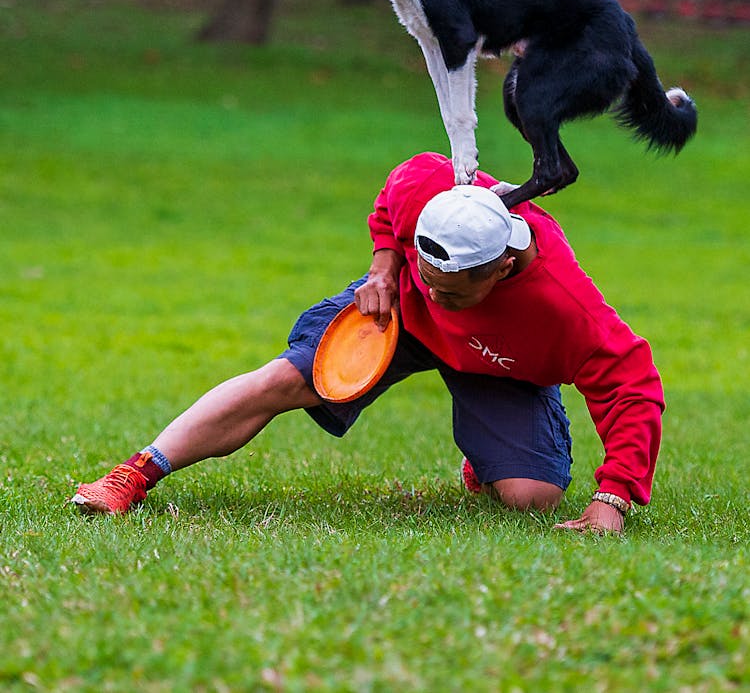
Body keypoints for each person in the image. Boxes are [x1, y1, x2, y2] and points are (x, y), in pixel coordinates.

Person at [72, 152, 664, 534]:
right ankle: (135, 474)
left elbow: (633, 386)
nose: (440, 296)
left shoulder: (566, 307)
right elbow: (401, 187)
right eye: (430, 279)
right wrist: (386, 269)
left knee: (531, 497)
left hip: (499, 362)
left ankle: (488, 460)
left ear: (504, 266)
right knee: (284, 380)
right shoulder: (440, 190)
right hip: (392, 312)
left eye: (454, 292)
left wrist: (611, 500)